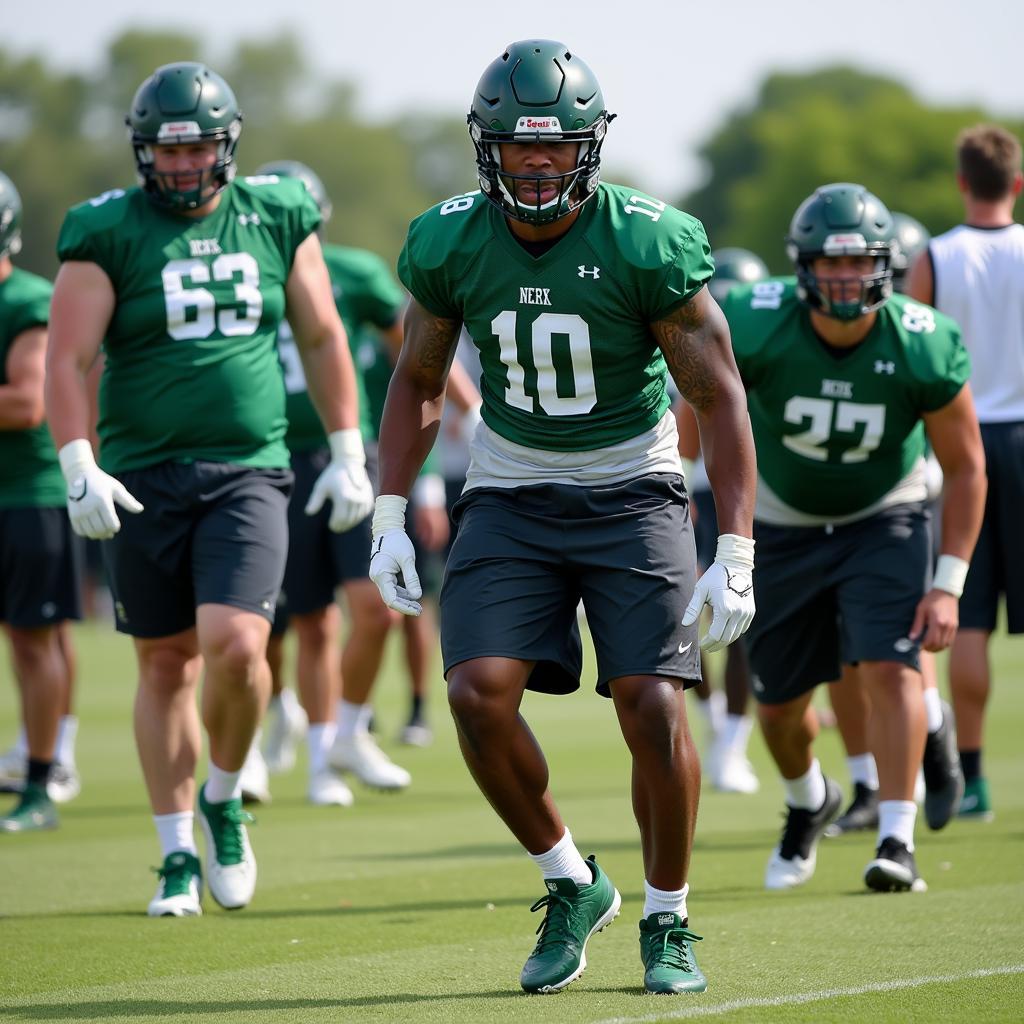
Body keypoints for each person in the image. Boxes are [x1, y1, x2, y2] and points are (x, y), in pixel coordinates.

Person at [370, 40, 757, 995]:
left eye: (555, 147)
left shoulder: (645, 239)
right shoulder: (451, 239)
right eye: (516, 147)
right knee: (474, 693)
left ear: (590, 146)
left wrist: (736, 545)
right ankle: (571, 881)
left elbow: (721, 397)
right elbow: (419, 377)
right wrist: (387, 509)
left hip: (635, 491)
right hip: (510, 489)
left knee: (654, 705)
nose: (535, 164)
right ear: (485, 148)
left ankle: (667, 920)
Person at [45, 63, 372, 915]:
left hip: (248, 469)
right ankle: (176, 852)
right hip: (141, 472)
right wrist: (78, 462)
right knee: (164, 665)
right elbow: (68, 358)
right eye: (167, 148)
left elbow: (324, 333)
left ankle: (224, 796)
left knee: (236, 647)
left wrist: (346, 449)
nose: (183, 164)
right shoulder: (105, 229)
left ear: (228, 146)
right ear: (143, 150)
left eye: (197, 148)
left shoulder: (275, 213)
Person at [724, 182, 985, 894]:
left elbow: (966, 468)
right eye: (829, 264)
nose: (844, 279)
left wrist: (949, 583)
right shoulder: (755, 321)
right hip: (782, 524)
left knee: (891, 668)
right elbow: (702, 413)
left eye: (859, 262)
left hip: (885, 516)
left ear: (884, 265)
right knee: (777, 708)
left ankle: (897, 839)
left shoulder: (921, 341)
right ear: (802, 267)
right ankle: (812, 798)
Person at [252, 158, 411, 804]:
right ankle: (308, 743)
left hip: (348, 455)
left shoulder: (352, 273)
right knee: (296, 622)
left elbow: (417, 354)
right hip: (270, 459)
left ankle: (346, 729)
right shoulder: (243, 272)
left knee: (376, 609)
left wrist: (472, 416)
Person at [824, 210, 964, 838]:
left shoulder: (921, 334)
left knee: (893, 641)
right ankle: (879, 771)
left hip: (909, 485)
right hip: (841, 495)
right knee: (847, 652)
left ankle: (930, 726)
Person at [907, 124, 1024, 822]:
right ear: (1015, 183)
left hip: (962, 442)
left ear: (961, 182)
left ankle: (973, 779)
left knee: (969, 616)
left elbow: (913, 355)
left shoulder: (936, 258)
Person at [0, 171, 83, 832]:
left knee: (33, 643)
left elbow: (25, 404)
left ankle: (39, 781)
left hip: (26, 497)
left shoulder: (27, 299)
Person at [677, 247, 769, 794]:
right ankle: (715, 727)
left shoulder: (772, 348)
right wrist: (680, 486)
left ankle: (732, 743)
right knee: (688, 614)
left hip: (753, 501)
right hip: (694, 492)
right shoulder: (682, 338)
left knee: (742, 626)